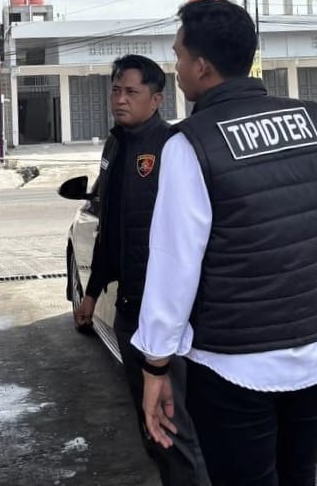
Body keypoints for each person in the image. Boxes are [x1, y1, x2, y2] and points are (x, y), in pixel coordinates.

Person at [131, 0, 317, 486]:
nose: (176, 67)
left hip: (233, 364)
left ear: (202, 66)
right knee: (300, 476)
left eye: (179, 55)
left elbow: (174, 266)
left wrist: (155, 365)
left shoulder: (190, 143)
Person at [74, 54, 210, 486]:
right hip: (129, 309)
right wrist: (92, 291)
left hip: (166, 313)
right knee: (149, 423)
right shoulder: (115, 145)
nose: (120, 99)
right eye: (116, 90)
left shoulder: (173, 147)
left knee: (174, 425)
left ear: (156, 98)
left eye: (131, 92)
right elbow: (110, 229)